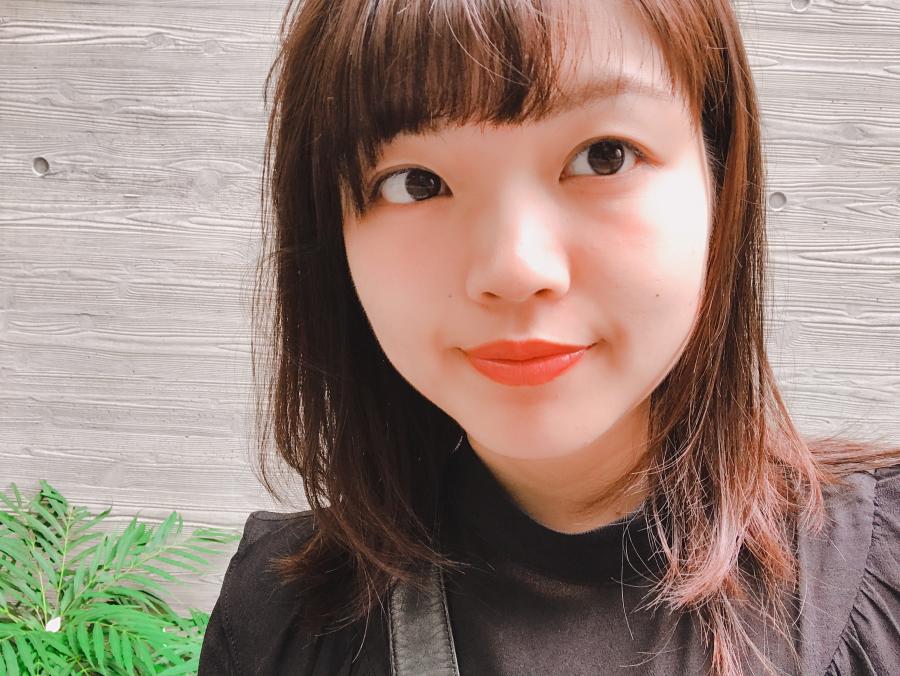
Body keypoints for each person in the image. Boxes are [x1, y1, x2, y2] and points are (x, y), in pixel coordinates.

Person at [198, 1, 900, 674]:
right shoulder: (278, 620)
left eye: (604, 156)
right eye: (416, 183)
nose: (514, 270)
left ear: (721, 183)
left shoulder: (884, 573)